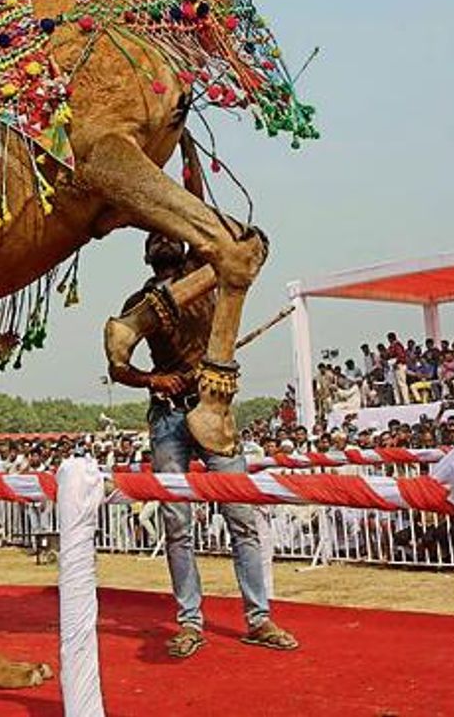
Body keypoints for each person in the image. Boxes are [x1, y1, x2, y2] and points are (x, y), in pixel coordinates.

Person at [107, 230, 297, 657]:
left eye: (169, 235)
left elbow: (205, 222)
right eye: (154, 239)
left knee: (241, 517)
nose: (163, 241)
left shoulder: (204, 273)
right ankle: (190, 622)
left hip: (214, 410)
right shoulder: (138, 304)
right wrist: (153, 380)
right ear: (146, 256)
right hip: (167, 415)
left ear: (183, 246)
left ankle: (259, 618)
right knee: (177, 525)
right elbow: (117, 364)